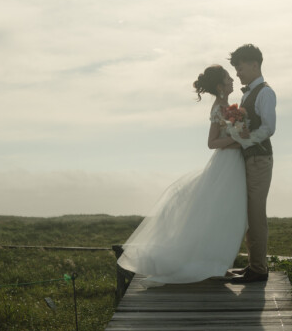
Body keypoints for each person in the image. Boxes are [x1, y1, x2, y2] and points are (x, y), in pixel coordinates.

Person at [116, 65, 248, 284]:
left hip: (233, 164)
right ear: (220, 86)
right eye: (228, 78)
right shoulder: (219, 108)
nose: (233, 80)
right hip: (225, 165)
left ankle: (219, 264)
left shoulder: (227, 106)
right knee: (221, 215)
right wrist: (238, 139)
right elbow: (212, 142)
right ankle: (212, 264)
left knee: (227, 216)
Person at [225, 44, 275, 283]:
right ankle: (253, 265)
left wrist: (246, 141)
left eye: (240, 67)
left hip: (259, 158)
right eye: (235, 69)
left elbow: (269, 127)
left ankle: (259, 269)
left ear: (255, 65)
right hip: (249, 158)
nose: (237, 73)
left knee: (256, 214)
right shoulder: (247, 94)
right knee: (248, 214)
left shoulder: (265, 92)